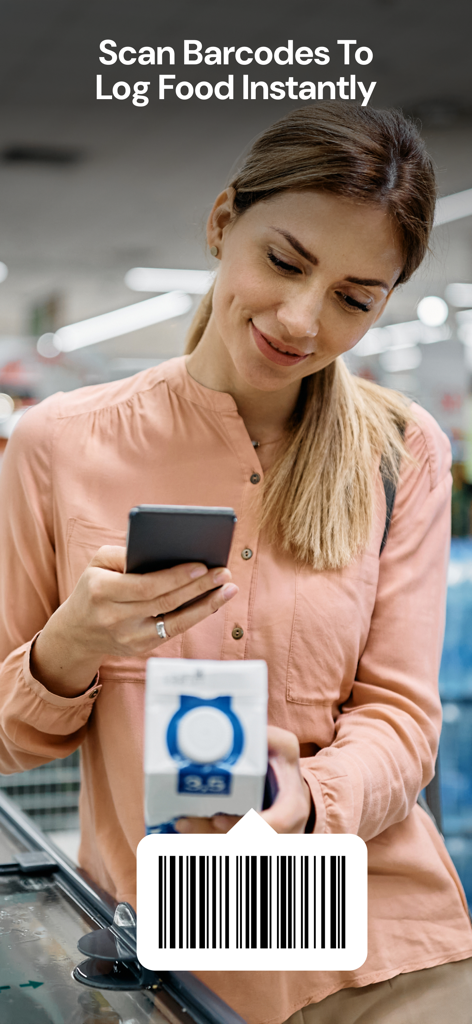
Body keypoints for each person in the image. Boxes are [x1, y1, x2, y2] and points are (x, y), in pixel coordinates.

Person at [0, 103, 471, 1023]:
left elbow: (404, 722)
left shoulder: (400, 448)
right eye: (285, 262)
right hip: (171, 963)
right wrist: (70, 648)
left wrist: (308, 795)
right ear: (223, 223)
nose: (301, 319)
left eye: (353, 298)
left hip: (385, 952)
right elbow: (9, 743)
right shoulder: (57, 443)